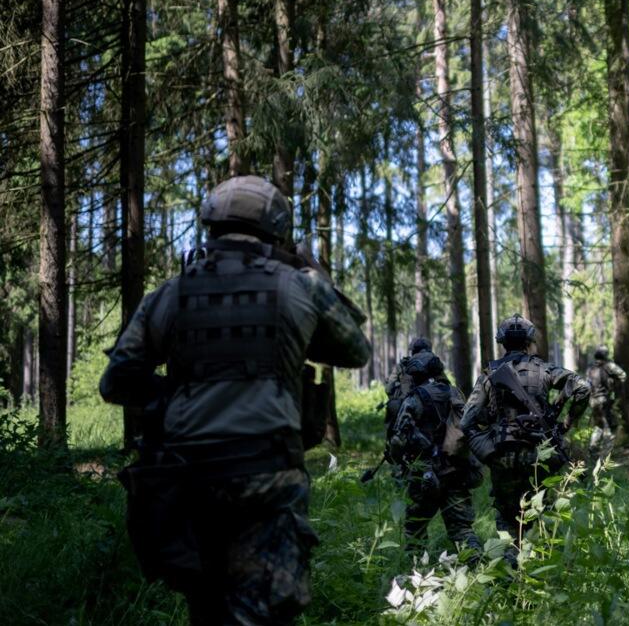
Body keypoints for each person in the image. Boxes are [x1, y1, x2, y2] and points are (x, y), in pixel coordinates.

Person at [100, 175, 371, 625]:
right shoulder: (298, 286)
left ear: (211, 225)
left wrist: (182, 394)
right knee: (260, 612)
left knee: (205, 607)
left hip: (186, 480)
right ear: (276, 228)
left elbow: (117, 381)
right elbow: (354, 351)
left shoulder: (171, 293)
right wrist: (316, 278)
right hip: (266, 475)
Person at [460, 314, 590, 557]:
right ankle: (541, 566)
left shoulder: (489, 374)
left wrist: (485, 445)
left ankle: (512, 567)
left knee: (508, 521)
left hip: (503, 456)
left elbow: (466, 420)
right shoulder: (545, 369)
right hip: (540, 453)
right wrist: (567, 423)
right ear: (529, 341)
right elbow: (583, 387)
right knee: (540, 513)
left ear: (502, 342)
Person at [385, 350, 482, 558]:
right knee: (462, 530)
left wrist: (396, 458)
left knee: (415, 531)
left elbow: (399, 439)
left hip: (423, 474)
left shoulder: (414, 398)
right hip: (456, 471)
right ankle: (478, 565)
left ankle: (414, 570)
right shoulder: (454, 392)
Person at [573, 346, 626, 460]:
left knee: (598, 426)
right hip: (605, 401)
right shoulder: (609, 365)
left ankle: (593, 449)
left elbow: (587, 384)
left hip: (593, 401)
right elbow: (623, 375)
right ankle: (605, 456)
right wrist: (615, 382)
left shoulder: (590, 368)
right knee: (611, 427)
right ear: (605, 355)